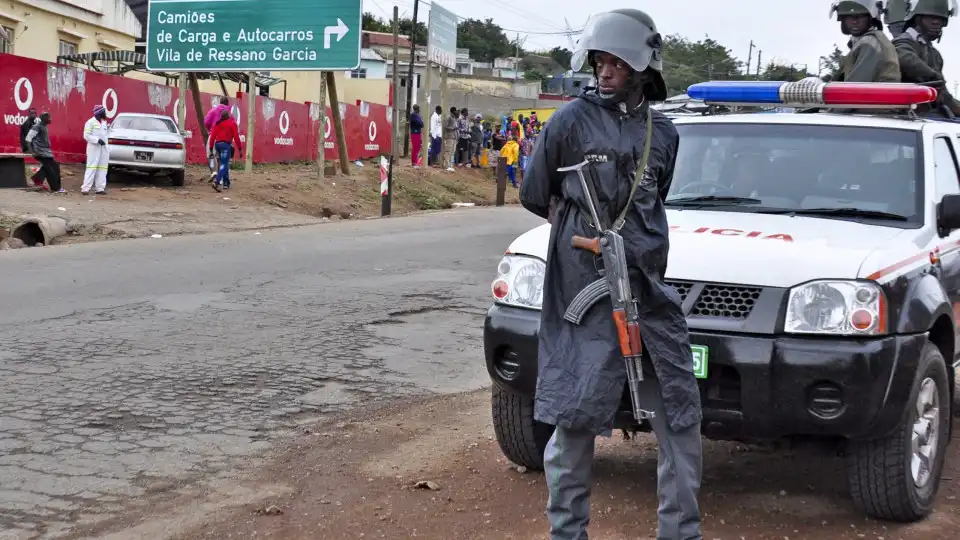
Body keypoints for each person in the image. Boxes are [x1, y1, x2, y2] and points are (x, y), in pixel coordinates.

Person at [518, 8, 703, 540]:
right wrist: (583, 234)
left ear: (643, 68)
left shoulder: (663, 133)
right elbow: (537, 195)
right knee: (574, 418)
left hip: (648, 289)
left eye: (618, 62)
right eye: (600, 60)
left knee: (680, 413)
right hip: (583, 288)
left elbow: (654, 202)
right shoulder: (570, 121)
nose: (605, 70)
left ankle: (680, 533)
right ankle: (567, 533)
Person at [892, 0, 960, 117]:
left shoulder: (934, 54)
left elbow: (943, 94)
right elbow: (905, 58)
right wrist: (933, 76)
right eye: (930, 18)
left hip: (926, 113)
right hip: (906, 112)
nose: (936, 23)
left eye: (940, 20)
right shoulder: (903, 41)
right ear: (917, 19)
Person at [830, 0, 900, 83]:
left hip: (873, 95)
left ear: (871, 19)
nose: (854, 21)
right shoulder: (873, 39)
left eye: (860, 16)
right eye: (849, 16)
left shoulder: (869, 43)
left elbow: (854, 87)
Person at [25, 112, 64, 193]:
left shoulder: (44, 126)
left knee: (52, 166)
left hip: (46, 152)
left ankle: (37, 179)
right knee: (51, 169)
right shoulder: (37, 127)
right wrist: (32, 152)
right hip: (40, 152)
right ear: (44, 119)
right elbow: (28, 139)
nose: (51, 119)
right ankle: (55, 188)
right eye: (49, 118)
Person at [208, 108, 243, 192]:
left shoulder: (218, 124)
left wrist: (210, 148)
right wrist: (240, 149)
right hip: (225, 146)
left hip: (218, 146)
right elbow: (236, 137)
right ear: (228, 116)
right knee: (224, 164)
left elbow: (212, 137)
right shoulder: (232, 123)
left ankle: (226, 183)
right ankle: (216, 181)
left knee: (224, 163)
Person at [82, 105, 110, 195]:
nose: (105, 113)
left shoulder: (104, 123)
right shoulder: (90, 122)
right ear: (99, 113)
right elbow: (86, 135)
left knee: (102, 168)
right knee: (91, 167)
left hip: (104, 149)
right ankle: (85, 188)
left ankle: (100, 188)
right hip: (93, 148)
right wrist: (97, 140)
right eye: (104, 112)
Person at [204, 97, 231, 181]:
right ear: (227, 104)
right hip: (225, 139)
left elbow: (206, 122)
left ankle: (214, 171)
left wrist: (210, 129)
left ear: (220, 102)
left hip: (214, 136)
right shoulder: (230, 114)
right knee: (221, 158)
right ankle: (220, 178)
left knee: (210, 155)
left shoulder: (213, 111)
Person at [19, 108, 44, 187]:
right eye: (31, 113)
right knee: (45, 162)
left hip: (32, 148)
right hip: (28, 148)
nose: (33, 115)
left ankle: (36, 178)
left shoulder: (34, 123)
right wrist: (30, 150)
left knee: (45, 163)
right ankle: (36, 178)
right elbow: (27, 139)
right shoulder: (27, 124)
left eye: (34, 113)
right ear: (28, 114)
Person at [443, 106, 459, 171]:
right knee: (448, 151)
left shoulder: (455, 118)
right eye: (455, 111)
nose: (456, 112)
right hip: (449, 137)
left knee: (452, 152)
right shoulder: (448, 118)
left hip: (454, 137)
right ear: (452, 111)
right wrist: (453, 128)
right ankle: (446, 165)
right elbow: (445, 127)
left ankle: (450, 165)